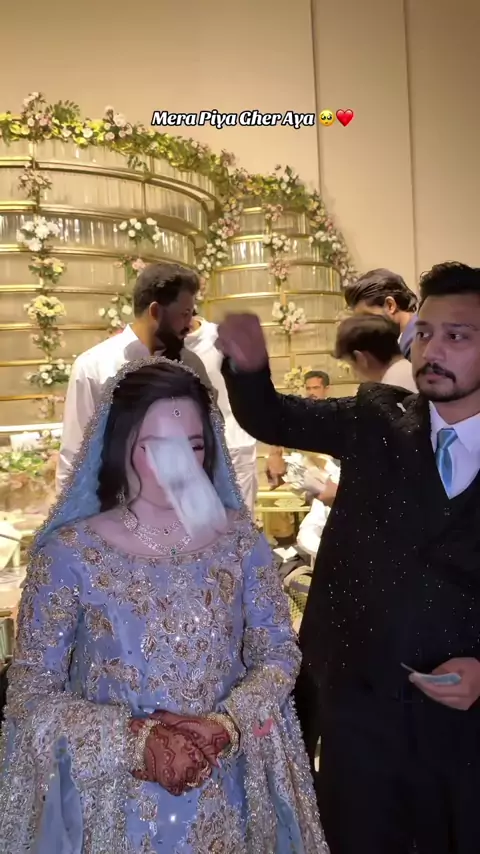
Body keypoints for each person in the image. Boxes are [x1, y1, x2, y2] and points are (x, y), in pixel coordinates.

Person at [0, 356, 327, 854]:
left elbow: (279, 652)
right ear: (121, 445)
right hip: (114, 802)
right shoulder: (71, 554)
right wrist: (135, 741)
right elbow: (30, 691)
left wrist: (227, 725)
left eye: (193, 446)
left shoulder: (239, 542)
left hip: (229, 788)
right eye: (158, 447)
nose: (180, 466)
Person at [217, 261, 480, 854]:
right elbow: (271, 415)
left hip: (463, 727)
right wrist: (247, 364)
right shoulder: (376, 418)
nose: (433, 349)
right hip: (359, 706)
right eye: (426, 332)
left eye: (457, 335)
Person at [56, 262, 215, 492]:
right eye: (184, 314)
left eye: (192, 314)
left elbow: (211, 440)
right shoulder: (94, 367)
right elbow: (74, 456)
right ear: (156, 312)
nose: (189, 325)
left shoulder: (191, 365)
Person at [185, 312, 258, 514]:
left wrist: (276, 450)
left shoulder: (222, 337)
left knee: (238, 522)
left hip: (234, 445)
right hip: (190, 451)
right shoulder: (163, 345)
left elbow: (256, 391)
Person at [344, 267, 418, 359]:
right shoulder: (406, 340)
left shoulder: (417, 344)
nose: (363, 327)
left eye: (367, 317)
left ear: (390, 305)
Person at [334, 313, 417, 392]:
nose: (354, 374)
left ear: (360, 358)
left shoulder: (389, 392)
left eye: (352, 365)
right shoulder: (415, 374)